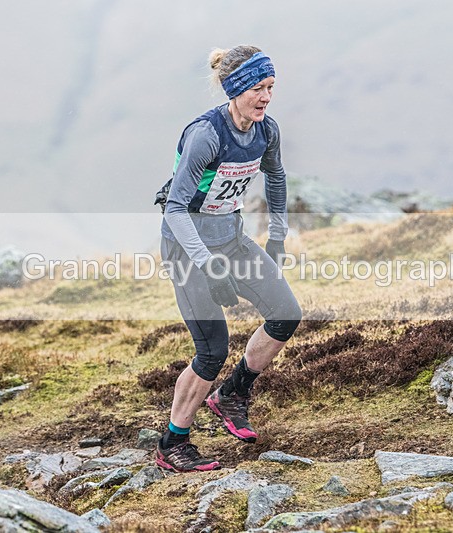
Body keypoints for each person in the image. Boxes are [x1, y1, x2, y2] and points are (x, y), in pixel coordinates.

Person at [154, 45, 302, 472]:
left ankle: (232, 395)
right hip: (188, 248)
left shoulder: (264, 131)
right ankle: (172, 444)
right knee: (211, 350)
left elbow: (276, 175)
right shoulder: (206, 135)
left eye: (271, 87)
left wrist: (276, 237)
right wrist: (207, 264)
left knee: (286, 314)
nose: (267, 97)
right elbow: (176, 209)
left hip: (231, 239)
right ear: (236, 88)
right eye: (258, 87)